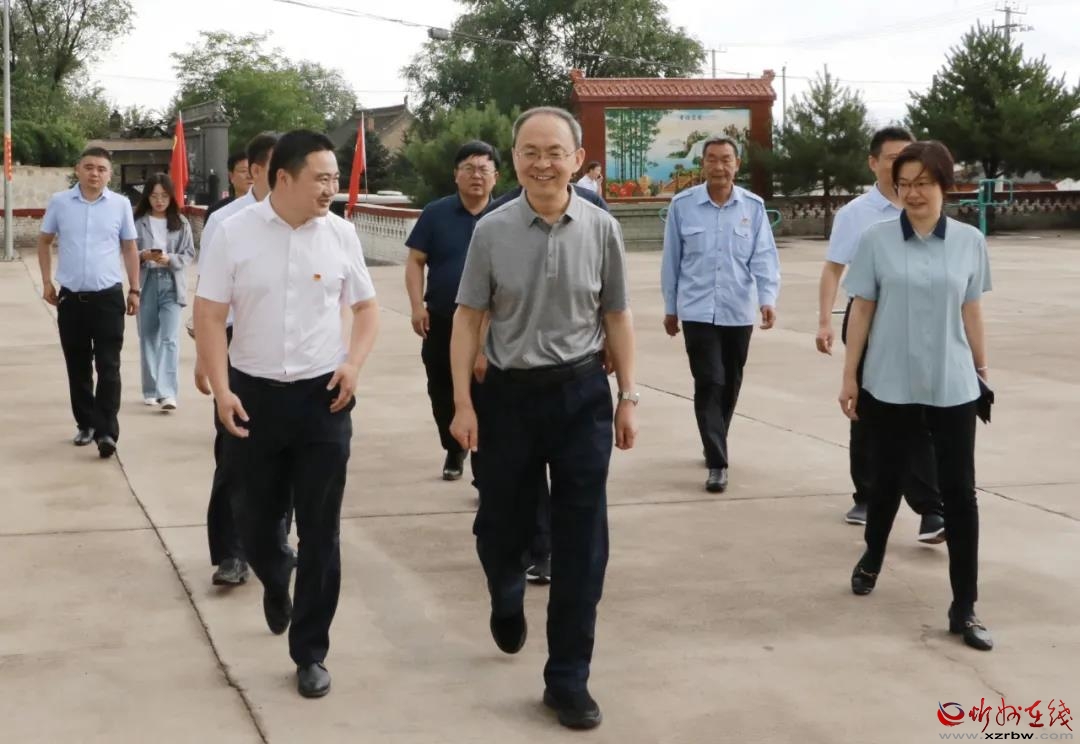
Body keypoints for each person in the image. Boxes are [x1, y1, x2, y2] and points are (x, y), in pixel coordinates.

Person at [450, 106, 638, 730]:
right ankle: (506, 589)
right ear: (514, 160)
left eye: (554, 152)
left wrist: (628, 395)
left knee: (583, 541)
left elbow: (617, 315)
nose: (542, 163)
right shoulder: (493, 231)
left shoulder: (601, 228)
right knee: (499, 524)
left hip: (581, 396)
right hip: (508, 399)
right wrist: (463, 403)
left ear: (577, 159)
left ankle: (568, 678)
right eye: (529, 152)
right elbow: (468, 319)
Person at [195, 129, 379, 697]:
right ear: (283, 178)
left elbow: (367, 309)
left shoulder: (341, 234)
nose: (330, 189)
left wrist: (354, 364)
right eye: (321, 179)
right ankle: (276, 576)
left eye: (334, 178)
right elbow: (209, 315)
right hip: (253, 397)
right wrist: (222, 389)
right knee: (253, 519)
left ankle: (311, 651)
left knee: (322, 529)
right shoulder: (232, 232)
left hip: (323, 398)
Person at [839, 141, 993, 652]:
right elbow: (862, 309)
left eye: (923, 183)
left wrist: (982, 370)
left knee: (960, 494)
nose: (912, 193)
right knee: (886, 481)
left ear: (944, 185)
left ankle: (964, 606)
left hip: (952, 384)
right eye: (903, 184)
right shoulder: (876, 240)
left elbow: (971, 308)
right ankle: (873, 555)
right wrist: (850, 376)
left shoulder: (970, 242)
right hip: (890, 383)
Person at [817, 127, 945, 543]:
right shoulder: (856, 214)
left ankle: (931, 510)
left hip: (920, 320)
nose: (901, 166)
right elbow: (834, 268)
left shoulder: (930, 205)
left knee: (919, 413)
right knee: (868, 411)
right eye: (892, 159)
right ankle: (867, 495)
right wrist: (824, 320)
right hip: (868, 319)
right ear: (874, 163)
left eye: (908, 157)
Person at [661, 137, 780, 493]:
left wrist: (767, 299)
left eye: (726, 159)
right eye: (712, 159)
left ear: (736, 164)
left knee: (730, 382)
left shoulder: (753, 207)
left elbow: (764, 257)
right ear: (703, 164)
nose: (719, 166)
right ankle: (717, 462)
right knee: (709, 380)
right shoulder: (683, 206)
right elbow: (672, 261)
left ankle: (715, 437)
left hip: (738, 309)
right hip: (696, 309)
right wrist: (671, 308)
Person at [195, 132, 282, 588]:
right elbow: (208, 298)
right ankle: (230, 553)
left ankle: (275, 545)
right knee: (234, 452)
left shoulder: (311, 221)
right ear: (258, 170)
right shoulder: (225, 221)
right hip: (233, 348)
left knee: (285, 456)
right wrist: (204, 357)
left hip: (288, 354)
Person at [405, 141, 500, 481]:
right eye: (469, 169)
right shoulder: (436, 213)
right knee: (442, 389)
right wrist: (417, 307)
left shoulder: (505, 215)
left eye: (484, 169)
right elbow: (415, 261)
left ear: (496, 176)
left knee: (488, 394)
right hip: (443, 319)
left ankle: (484, 467)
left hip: (492, 325)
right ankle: (454, 447)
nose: (476, 176)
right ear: (455, 175)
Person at [37, 146, 140, 459]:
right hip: (71, 298)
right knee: (78, 365)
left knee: (109, 366)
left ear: (109, 174)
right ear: (78, 170)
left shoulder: (120, 205)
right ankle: (86, 424)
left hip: (108, 297)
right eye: (89, 167)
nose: (95, 173)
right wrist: (47, 281)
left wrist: (134, 289)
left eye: (101, 169)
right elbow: (44, 240)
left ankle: (106, 431)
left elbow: (129, 247)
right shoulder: (60, 202)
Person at [132, 173, 195, 412]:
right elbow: (128, 252)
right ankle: (150, 390)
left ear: (171, 197)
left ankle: (167, 393)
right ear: (147, 197)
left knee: (170, 338)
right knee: (148, 336)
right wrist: (144, 255)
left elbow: (189, 254)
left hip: (171, 282)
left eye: (164, 196)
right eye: (154, 196)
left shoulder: (181, 222)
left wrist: (171, 259)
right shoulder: (138, 222)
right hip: (147, 282)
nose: (159, 201)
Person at [205, 152, 253, 220]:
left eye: (254, 171)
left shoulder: (266, 208)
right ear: (231, 176)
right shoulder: (216, 211)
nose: (250, 176)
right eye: (243, 171)